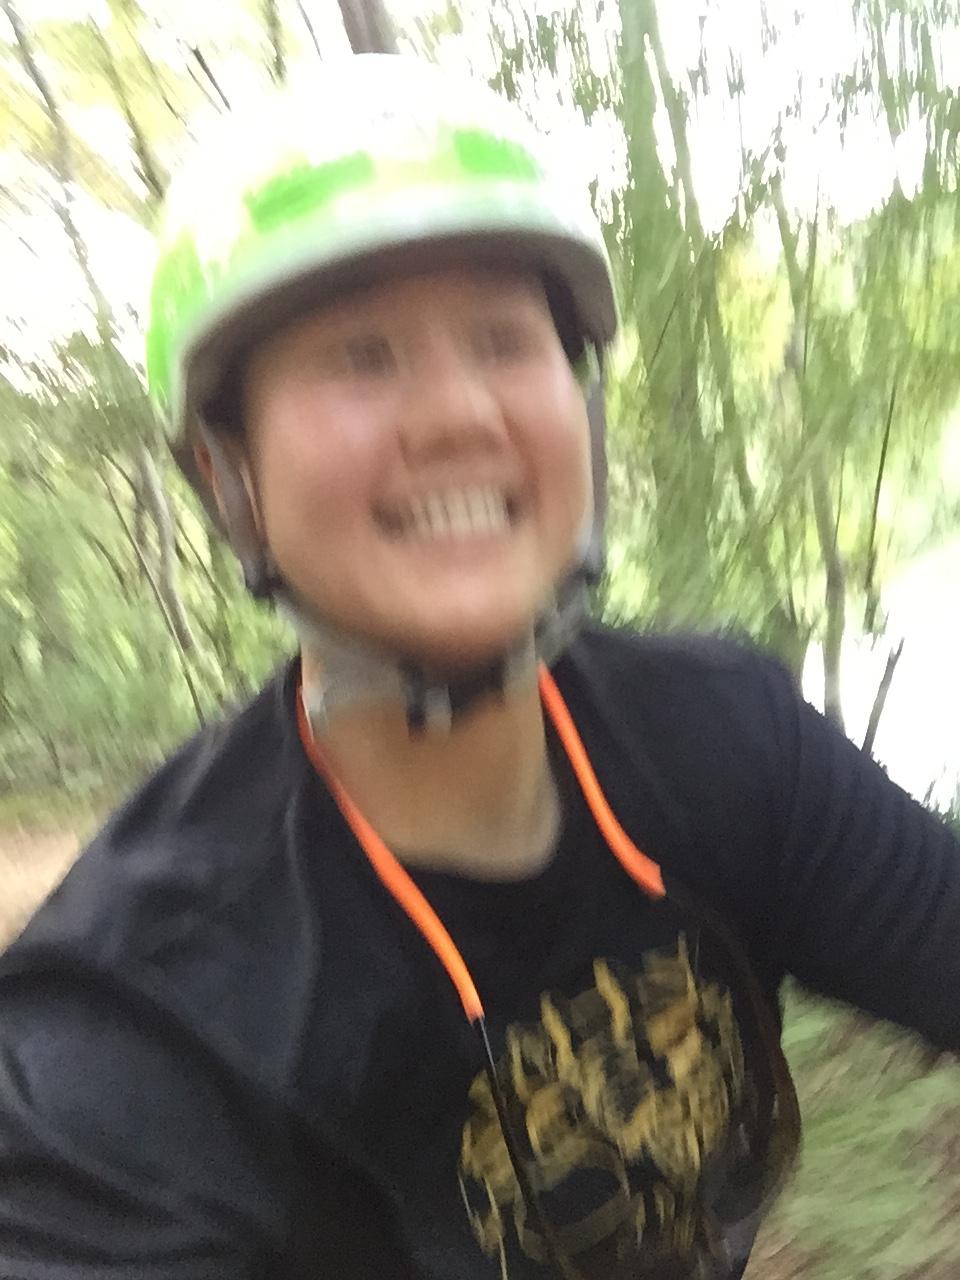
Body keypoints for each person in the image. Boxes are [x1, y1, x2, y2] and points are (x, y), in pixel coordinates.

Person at [0, 53, 957, 1280]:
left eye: (506, 341)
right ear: (224, 474)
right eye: (359, 353)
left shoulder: (725, 741)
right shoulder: (133, 1035)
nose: (458, 411)